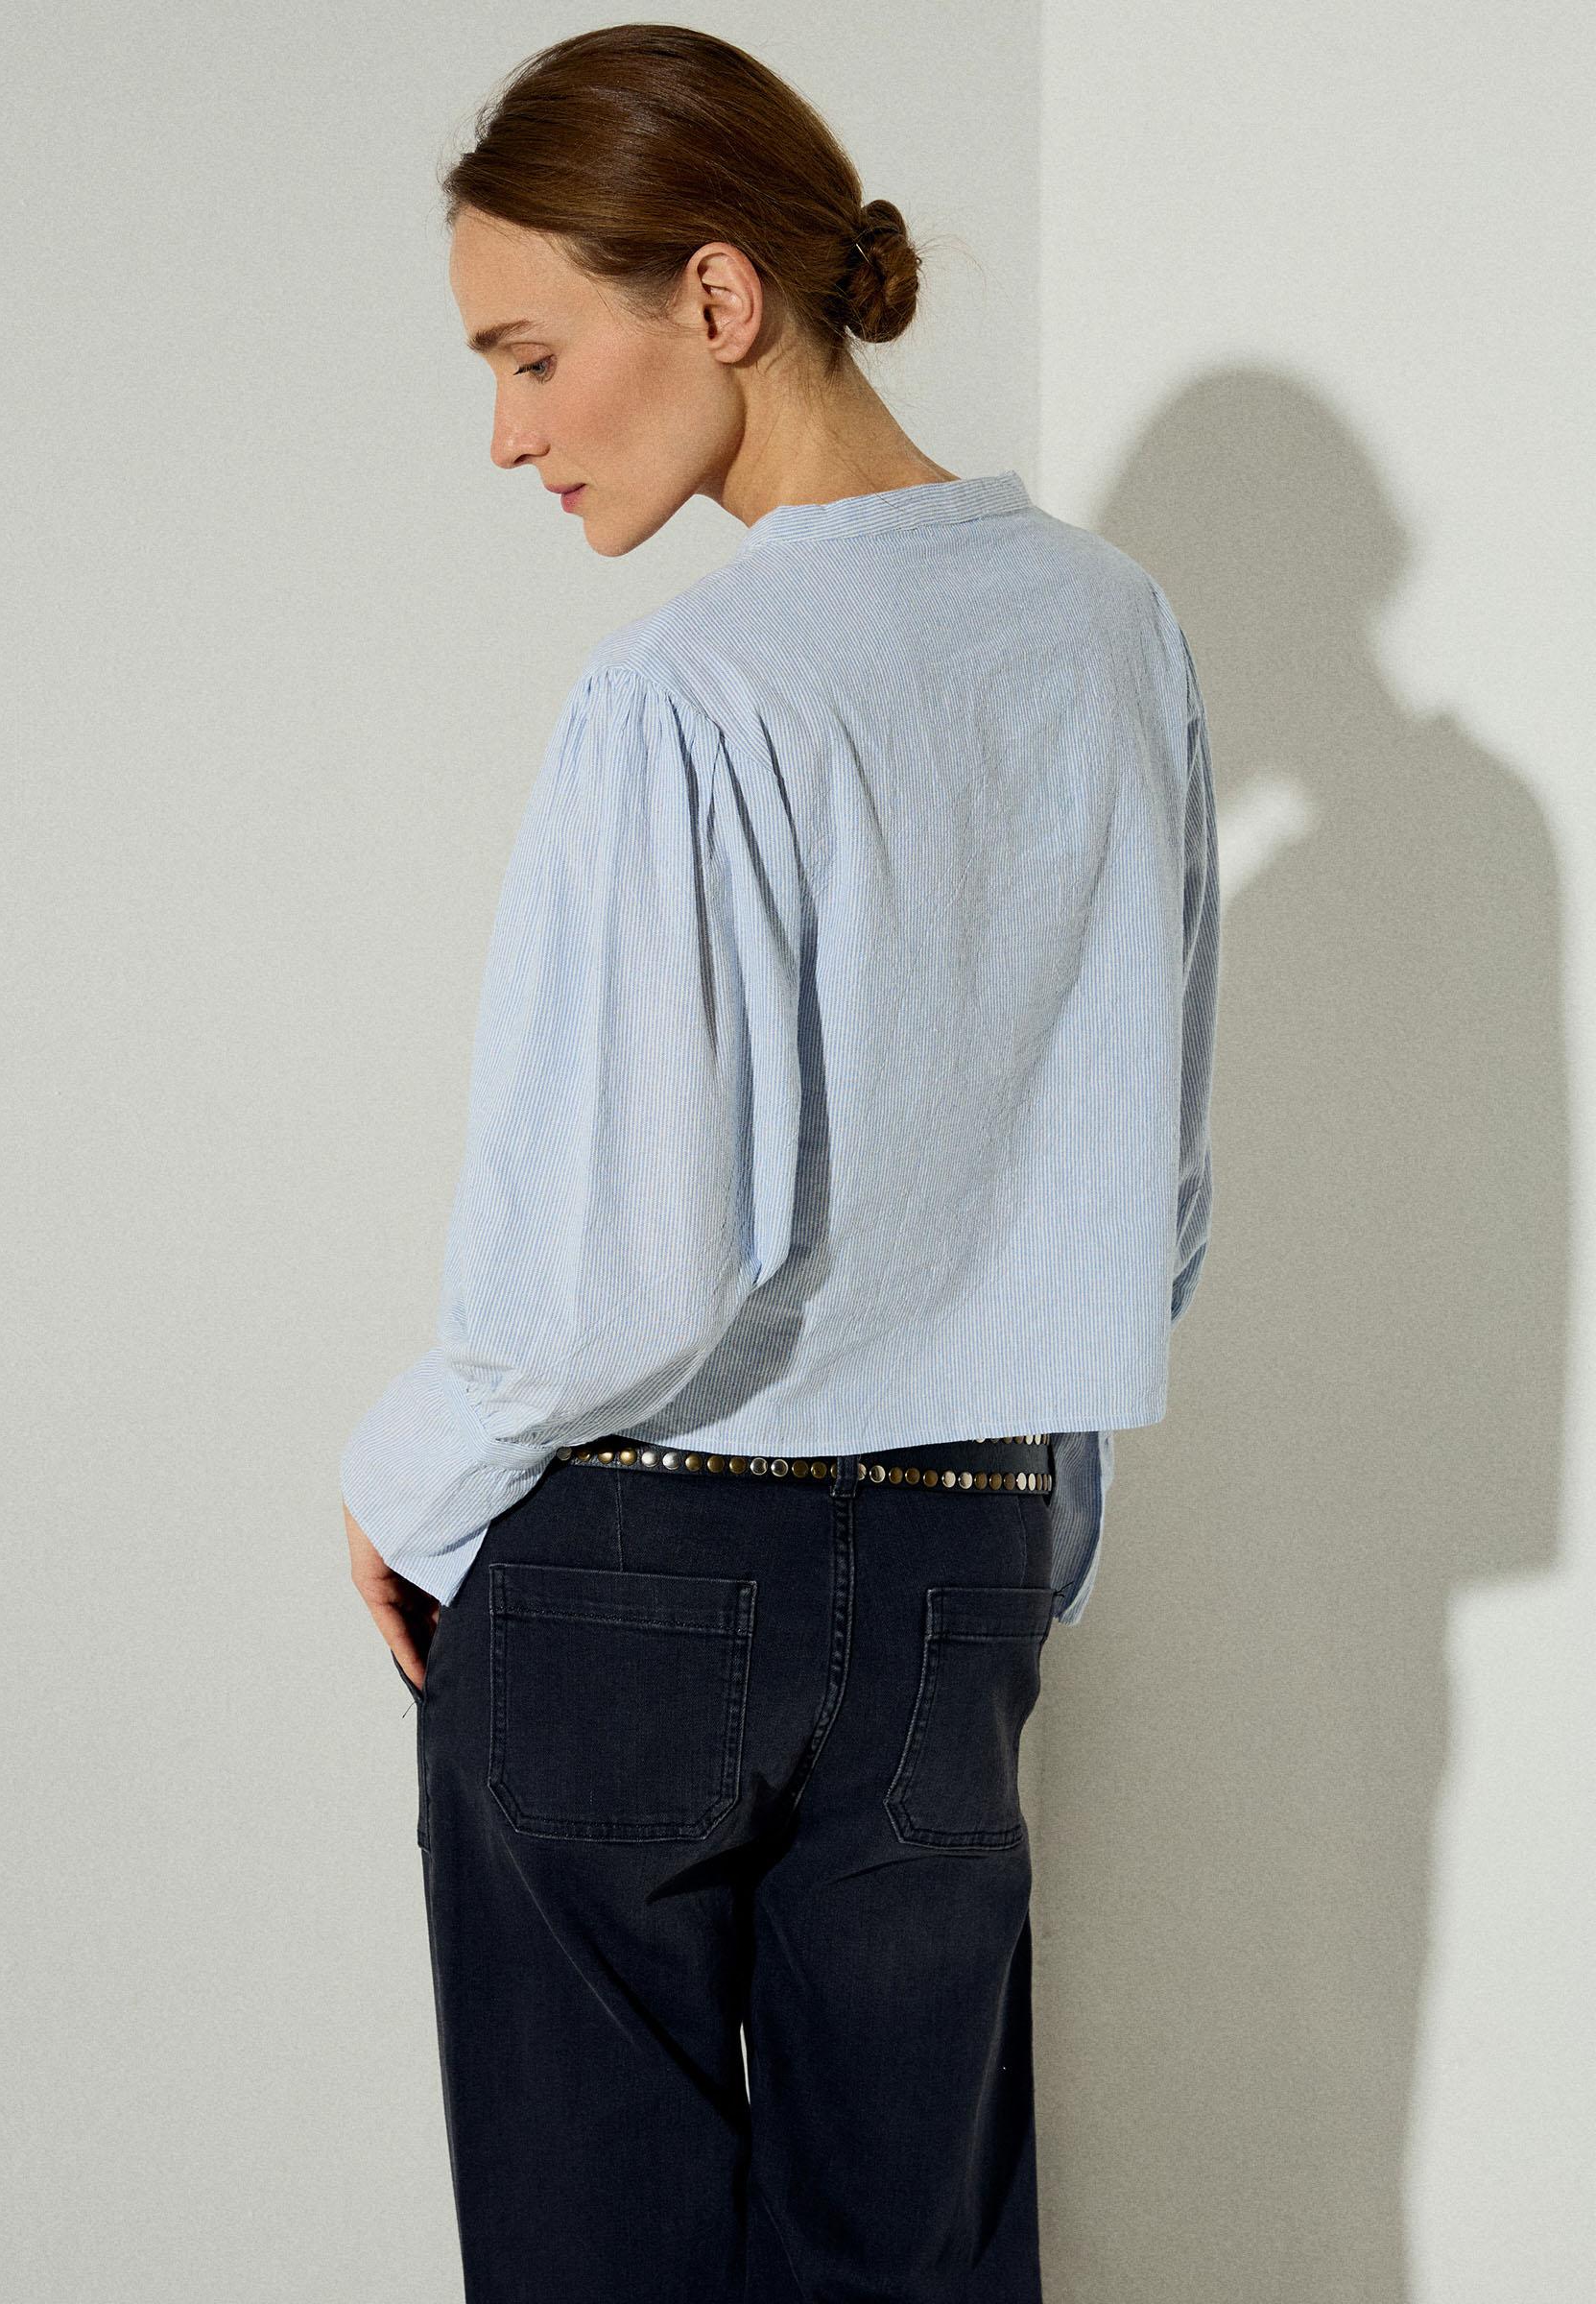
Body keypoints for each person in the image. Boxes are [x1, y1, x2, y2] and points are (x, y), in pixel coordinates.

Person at [339, 25, 1220, 2302]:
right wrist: (1003, 1555)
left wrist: (407, 1479)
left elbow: (624, 1275)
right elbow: (1148, 1195)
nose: (509, 434)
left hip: (627, 1568)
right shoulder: (1117, 635)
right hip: (957, 1566)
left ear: (717, 296)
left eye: (532, 356)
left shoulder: (687, 695)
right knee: (909, 2268)